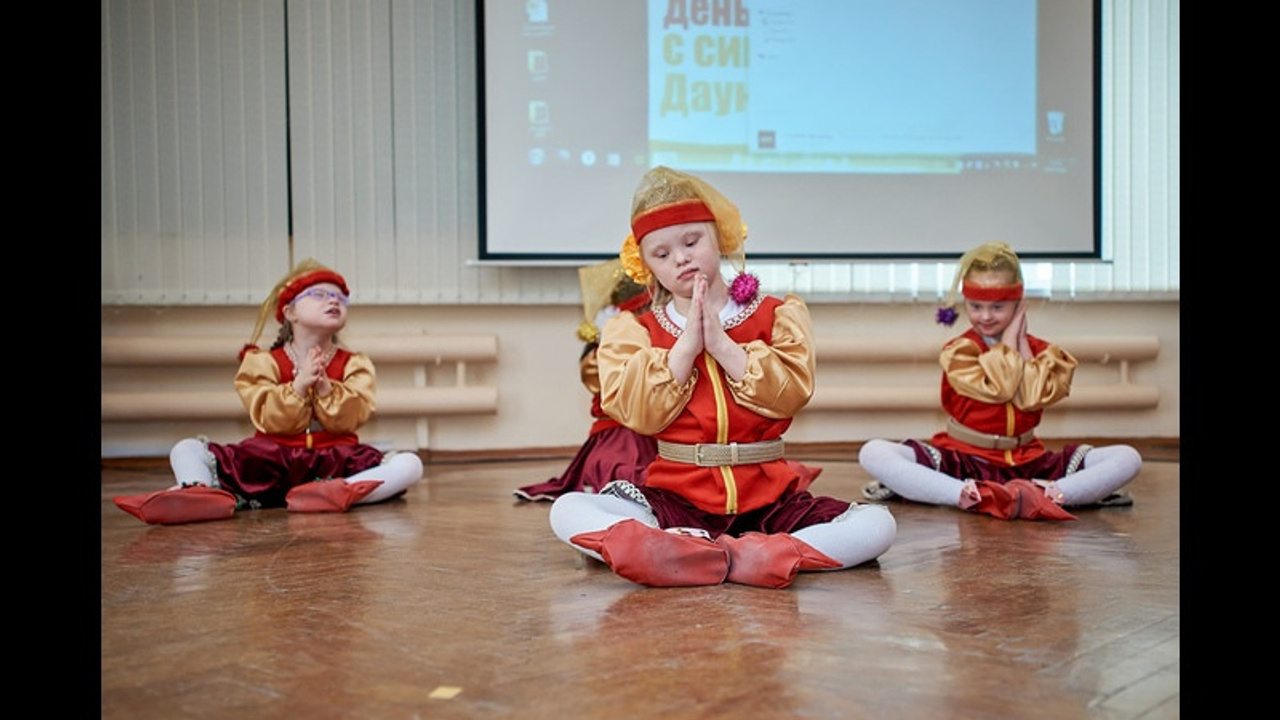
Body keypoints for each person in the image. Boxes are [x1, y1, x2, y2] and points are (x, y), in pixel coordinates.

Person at [548, 166, 896, 589]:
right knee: (566, 509)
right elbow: (638, 413)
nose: (681, 258)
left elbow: (791, 394)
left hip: (769, 500)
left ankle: (713, 554)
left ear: (720, 239)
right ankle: (724, 551)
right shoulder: (634, 330)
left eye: (692, 241)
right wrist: (685, 347)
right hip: (677, 499)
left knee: (878, 525)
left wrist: (725, 346)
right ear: (647, 267)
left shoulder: (776, 314)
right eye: (661, 254)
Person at [113, 259, 424, 525]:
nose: (334, 301)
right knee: (186, 448)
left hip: (334, 460)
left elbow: (352, 418)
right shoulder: (261, 361)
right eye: (320, 294)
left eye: (341, 298)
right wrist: (299, 387)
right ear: (290, 312)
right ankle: (197, 492)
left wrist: (327, 389)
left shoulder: (355, 363)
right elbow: (267, 418)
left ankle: (337, 493)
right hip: (270, 460)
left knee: (410, 464)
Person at [858, 241, 1142, 521]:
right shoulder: (960, 351)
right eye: (976, 306)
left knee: (1128, 457)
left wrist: (1019, 343)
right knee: (874, 451)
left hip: (1028, 461)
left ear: (1019, 304)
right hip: (962, 459)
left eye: (998, 307)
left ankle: (1049, 494)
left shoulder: (1044, 353)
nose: (985, 316)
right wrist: (1009, 342)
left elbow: (1031, 398)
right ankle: (966, 494)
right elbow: (1002, 388)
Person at [513, 259, 659, 501]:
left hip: (652, 438)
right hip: (619, 438)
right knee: (629, 476)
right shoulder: (600, 354)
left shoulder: (661, 336)